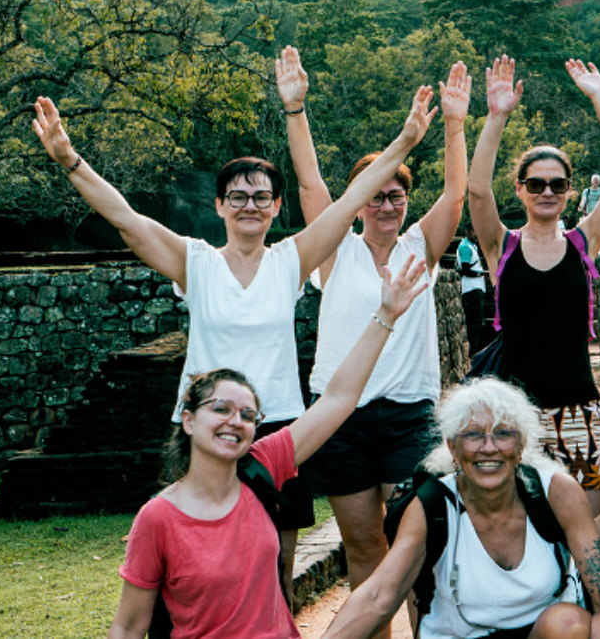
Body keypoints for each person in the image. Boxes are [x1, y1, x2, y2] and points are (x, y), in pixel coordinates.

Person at [32, 86, 437, 600]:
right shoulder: (196, 262)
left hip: (281, 428)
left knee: (278, 568)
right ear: (220, 205)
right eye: (239, 197)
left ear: (275, 208)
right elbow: (127, 221)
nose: (250, 206)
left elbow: (354, 199)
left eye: (262, 197)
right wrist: (70, 160)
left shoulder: (291, 259)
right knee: (200, 566)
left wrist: (404, 142)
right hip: (206, 428)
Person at [103, 257, 436, 639]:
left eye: (248, 414)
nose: (236, 421)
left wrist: (386, 315)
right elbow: (128, 627)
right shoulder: (158, 518)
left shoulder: (263, 465)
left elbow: (338, 398)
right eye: (222, 409)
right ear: (189, 420)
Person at [277, 47, 472, 639]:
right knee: (364, 547)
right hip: (342, 418)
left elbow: (457, 197)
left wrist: (457, 126)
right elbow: (311, 183)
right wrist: (296, 109)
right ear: (358, 203)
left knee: (412, 546)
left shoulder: (421, 247)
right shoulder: (334, 249)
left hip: (410, 415)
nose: (387, 205)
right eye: (375, 196)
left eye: (396, 195)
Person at [322, 377, 600, 639]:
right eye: (473, 435)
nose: (488, 447)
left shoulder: (556, 491)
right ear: (453, 447)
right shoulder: (431, 503)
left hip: (539, 632)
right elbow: (378, 597)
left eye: (503, 433)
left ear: (521, 445)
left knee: (570, 625)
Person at [466, 55, 600, 515]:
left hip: (578, 406)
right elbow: (478, 190)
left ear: (569, 190)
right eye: (536, 183)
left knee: (586, 521)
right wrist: (497, 117)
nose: (548, 191)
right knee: (516, 521)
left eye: (558, 184)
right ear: (520, 189)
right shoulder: (500, 246)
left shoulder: (585, 242)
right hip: (512, 414)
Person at [458, 234, 494, 349]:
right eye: (473, 231)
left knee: (477, 323)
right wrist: (482, 273)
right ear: (467, 231)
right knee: (474, 323)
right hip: (472, 289)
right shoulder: (465, 248)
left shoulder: (471, 246)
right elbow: (465, 269)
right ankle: (472, 351)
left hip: (476, 288)